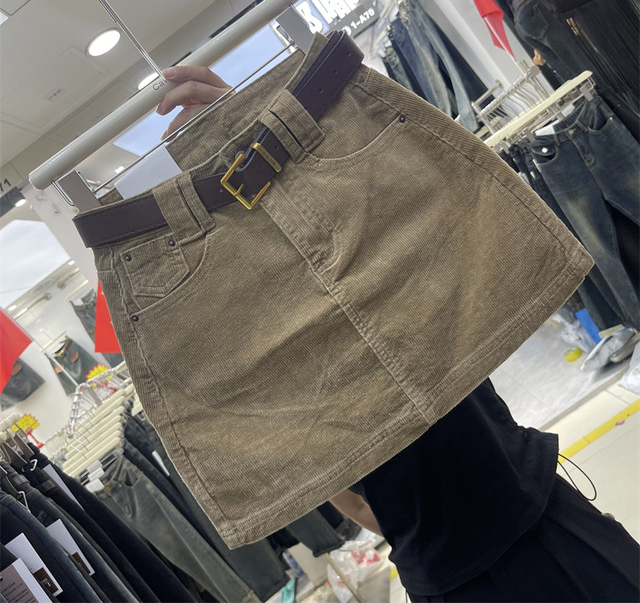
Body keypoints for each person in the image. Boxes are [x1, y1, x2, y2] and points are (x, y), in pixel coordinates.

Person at [156, 65, 640, 603]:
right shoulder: (367, 310)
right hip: (526, 520)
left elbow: (352, 504)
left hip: (469, 556)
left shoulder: (293, 369)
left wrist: (254, 139)